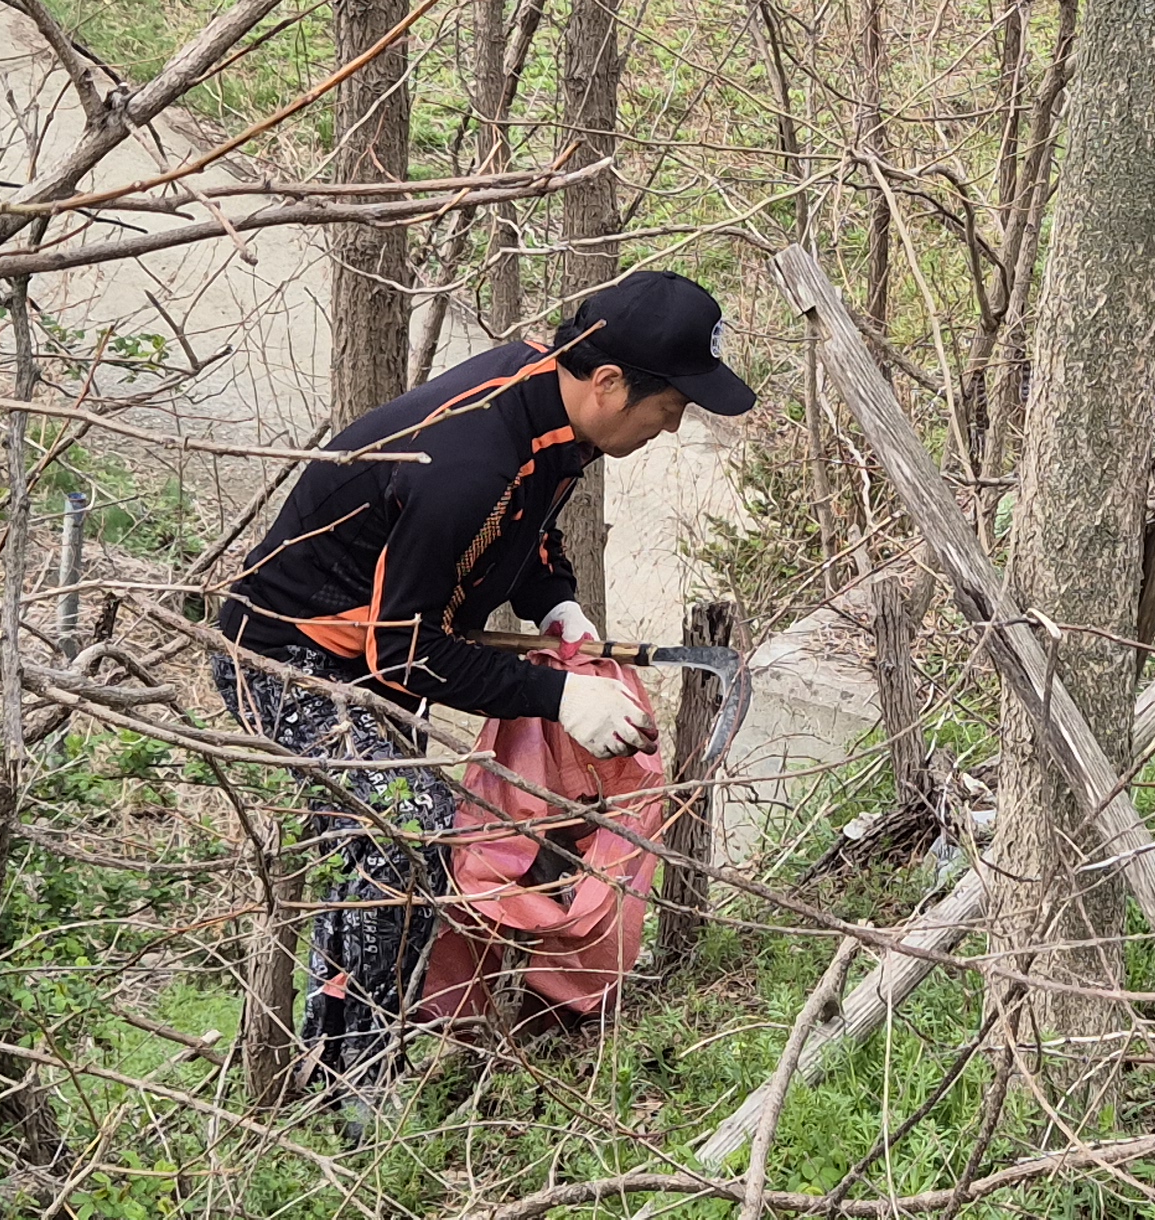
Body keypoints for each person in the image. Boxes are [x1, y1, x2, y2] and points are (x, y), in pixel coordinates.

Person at [213, 267, 758, 1114]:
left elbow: (525, 526)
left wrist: (556, 604)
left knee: (375, 854)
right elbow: (406, 652)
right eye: (671, 405)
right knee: (406, 835)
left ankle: (343, 1068)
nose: (673, 424)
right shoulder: (468, 459)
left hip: (372, 651)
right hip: (287, 653)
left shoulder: (553, 412)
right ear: (610, 381)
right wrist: (557, 700)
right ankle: (359, 1089)